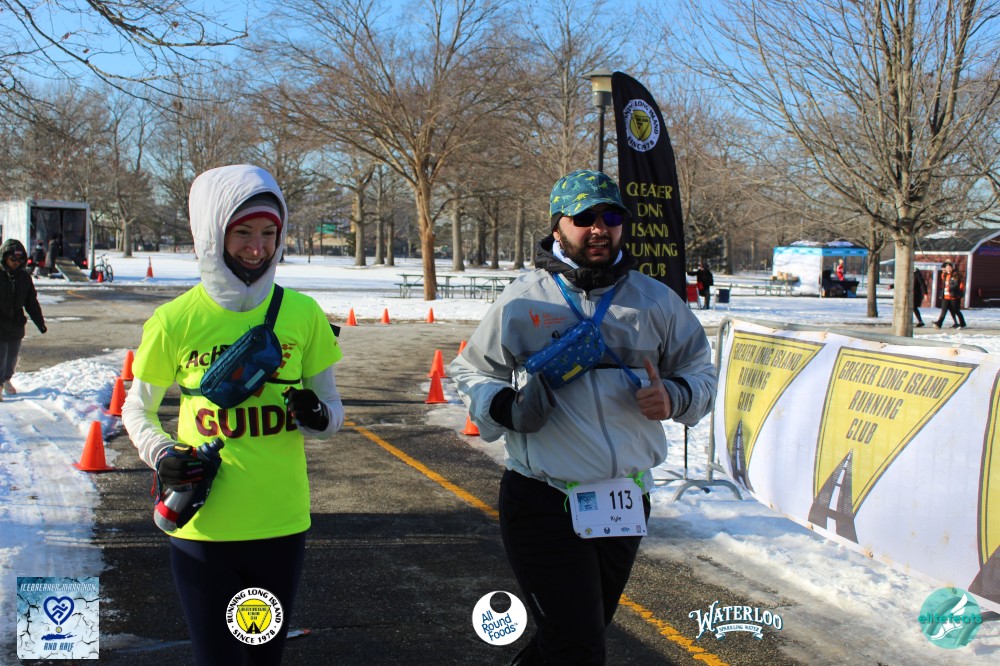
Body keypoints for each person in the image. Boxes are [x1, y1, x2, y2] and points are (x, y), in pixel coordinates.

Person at [450, 169, 717, 665]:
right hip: (544, 497)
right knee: (578, 645)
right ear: (558, 226)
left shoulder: (655, 300)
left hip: (624, 500)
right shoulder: (524, 299)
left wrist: (675, 396)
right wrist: (506, 407)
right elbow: (472, 371)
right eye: (584, 218)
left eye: (611, 217)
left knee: (573, 637)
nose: (599, 228)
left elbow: (701, 371)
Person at [122, 165, 345, 665]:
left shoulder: (303, 314)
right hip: (203, 527)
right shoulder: (174, 320)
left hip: (280, 526)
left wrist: (317, 417)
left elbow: (333, 413)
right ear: (211, 233)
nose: (257, 247)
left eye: (269, 233)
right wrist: (162, 454)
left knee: (263, 658)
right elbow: (137, 408)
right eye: (242, 232)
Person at [0, 239, 47, 399]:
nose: (16, 263)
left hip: (16, 323)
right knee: (1, 355)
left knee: (12, 357)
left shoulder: (24, 277)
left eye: (19, 260)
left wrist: (40, 323)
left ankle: (6, 379)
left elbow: (31, 302)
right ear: (5, 257)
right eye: (13, 259)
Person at [933, 261, 966, 329]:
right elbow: (943, 281)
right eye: (947, 268)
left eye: (950, 268)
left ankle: (962, 323)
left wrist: (949, 288)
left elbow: (956, 285)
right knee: (943, 311)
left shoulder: (955, 275)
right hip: (945, 297)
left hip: (953, 296)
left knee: (956, 310)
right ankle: (939, 324)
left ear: (952, 268)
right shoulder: (945, 275)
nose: (948, 269)